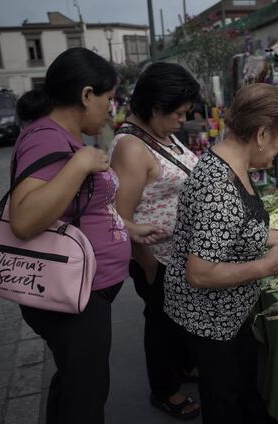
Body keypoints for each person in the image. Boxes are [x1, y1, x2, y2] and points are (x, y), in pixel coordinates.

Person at [10, 47, 162, 424]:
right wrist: (80, 163)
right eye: (109, 100)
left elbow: (75, 210)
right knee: (87, 396)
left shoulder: (61, 136)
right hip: (74, 295)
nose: (111, 110)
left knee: (75, 381)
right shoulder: (46, 138)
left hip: (83, 291)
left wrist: (126, 228)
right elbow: (25, 219)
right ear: (86, 95)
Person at [164, 83, 278, 424]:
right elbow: (201, 272)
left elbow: (237, 229)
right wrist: (268, 267)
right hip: (209, 319)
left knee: (243, 384)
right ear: (262, 133)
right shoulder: (220, 187)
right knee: (224, 399)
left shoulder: (230, 163)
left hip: (230, 315)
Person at [109, 62, 202, 420]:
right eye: (178, 112)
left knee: (176, 319)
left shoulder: (160, 133)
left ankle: (181, 366)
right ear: (155, 105)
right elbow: (121, 216)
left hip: (176, 254)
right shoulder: (132, 147)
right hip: (155, 257)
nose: (184, 118)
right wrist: (147, 264)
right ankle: (164, 390)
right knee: (161, 324)